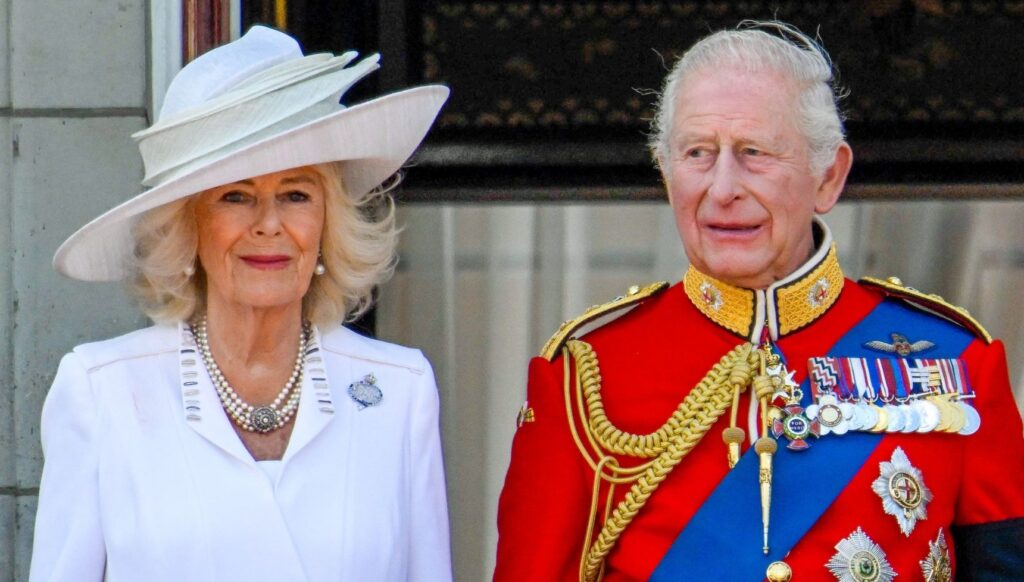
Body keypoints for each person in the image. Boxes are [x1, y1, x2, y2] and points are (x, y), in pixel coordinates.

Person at [494, 21, 1024, 582]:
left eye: (754, 153)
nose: (722, 188)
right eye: (697, 153)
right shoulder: (584, 379)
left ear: (829, 176)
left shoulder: (953, 365)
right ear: (667, 174)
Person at [30, 26, 452, 582]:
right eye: (236, 196)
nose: (270, 224)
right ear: (188, 225)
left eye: (296, 194)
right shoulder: (102, 390)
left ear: (327, 224)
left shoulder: (398, 390)